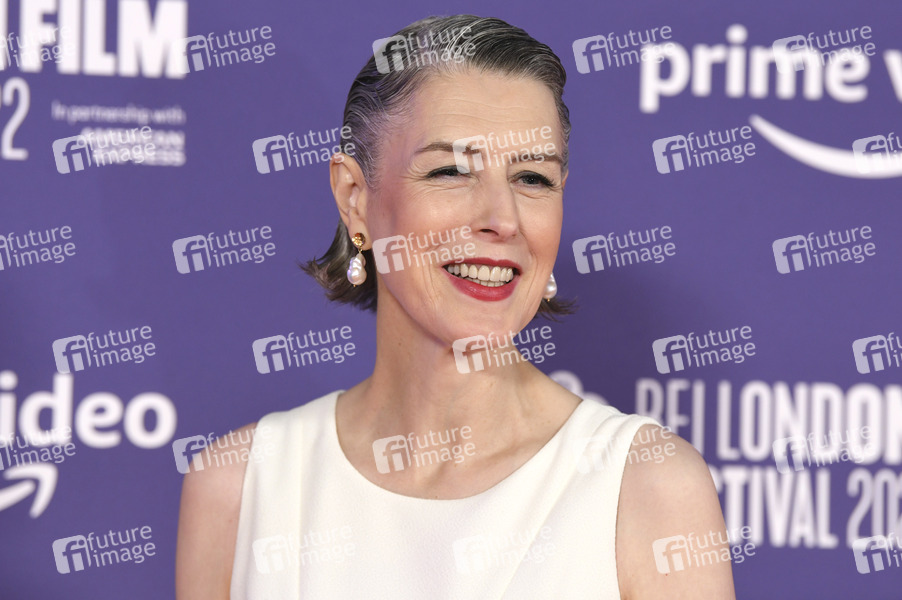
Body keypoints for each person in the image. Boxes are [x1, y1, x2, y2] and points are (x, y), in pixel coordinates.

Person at [175, 14, 736, 599]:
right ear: (355, 199)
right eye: (450, 171)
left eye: (533, 178)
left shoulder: (648, 488)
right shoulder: (241, 485)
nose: (502, 218)